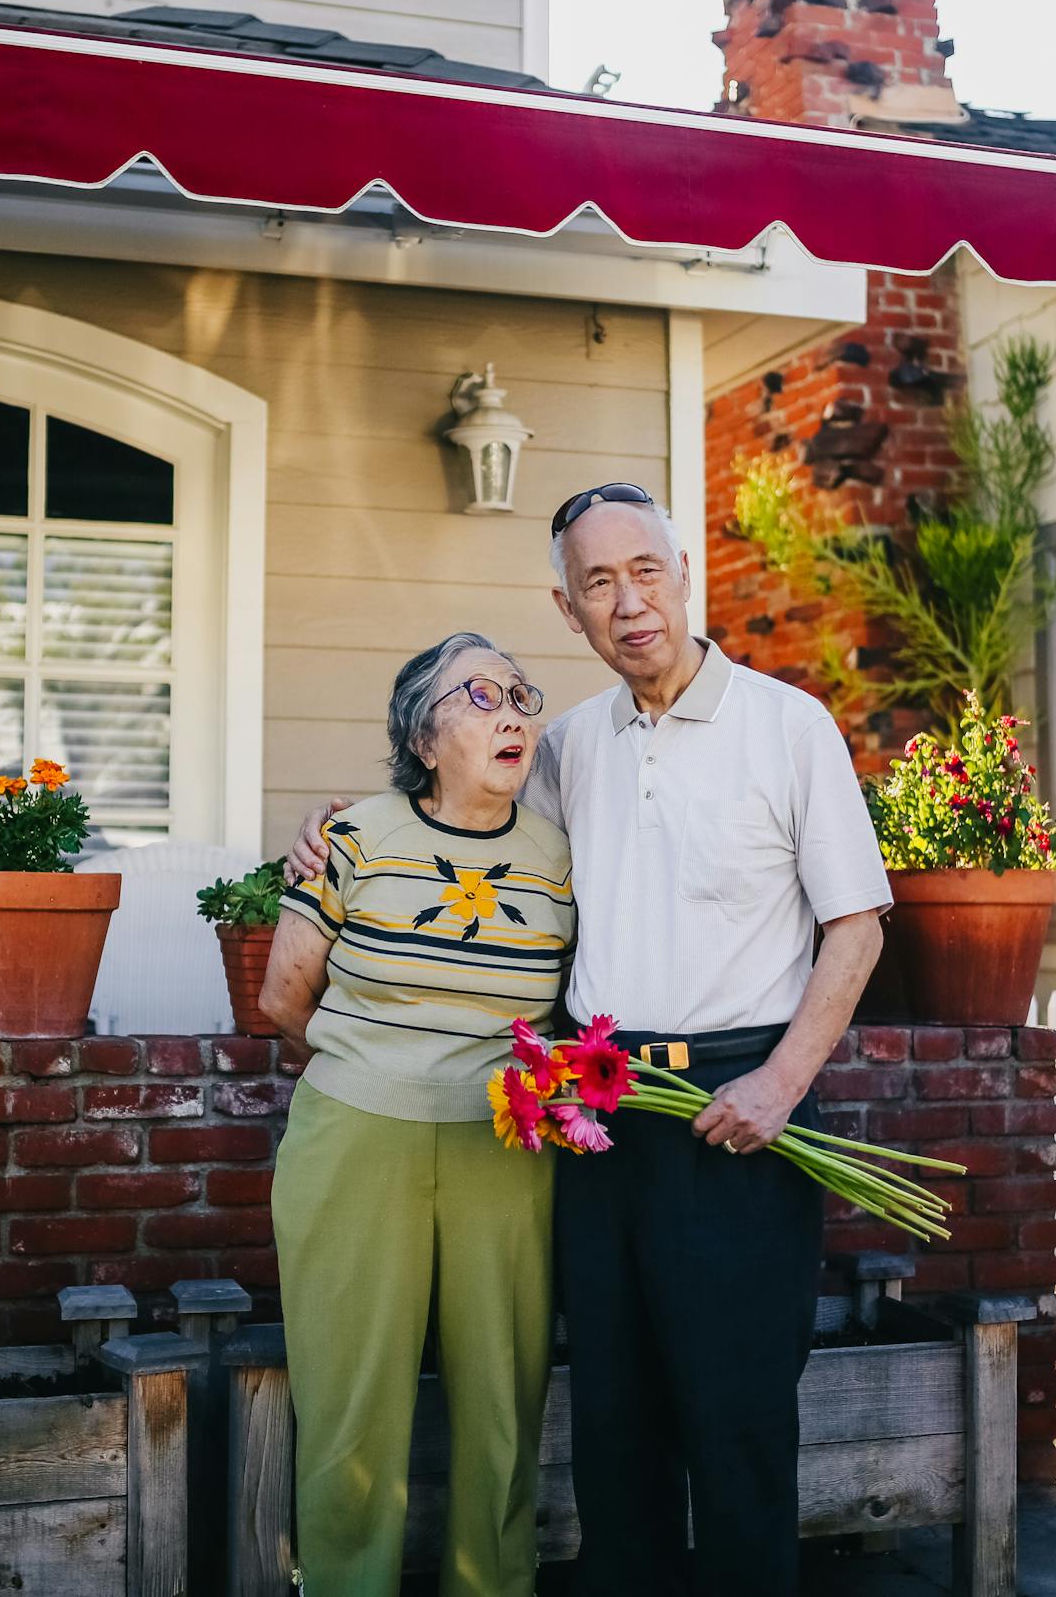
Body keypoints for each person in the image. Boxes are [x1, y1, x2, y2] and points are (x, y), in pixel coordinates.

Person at [292, 485, 890, 1597]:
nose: (629, 603)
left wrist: (781, 1081)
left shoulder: (785, 725)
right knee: (614, 1420)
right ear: (567, 611)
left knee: (736, 1416)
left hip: (739, 1112)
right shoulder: (566, 747)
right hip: (600, 1113)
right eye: (598, 584)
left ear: (682, 571)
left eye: (644, 571)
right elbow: (456, 813)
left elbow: (855, 923)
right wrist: (335, 838)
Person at [260, 631, 574, 1597]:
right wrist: (383, 1070)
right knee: (351, 1409)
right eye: (479, 694)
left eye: (521, 691)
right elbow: (282, 998)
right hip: (355, 1139)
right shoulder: (354, 835)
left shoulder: (563, 855)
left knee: (502, 1408)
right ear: (423, 738)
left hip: (505, 1147)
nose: (511, 709)